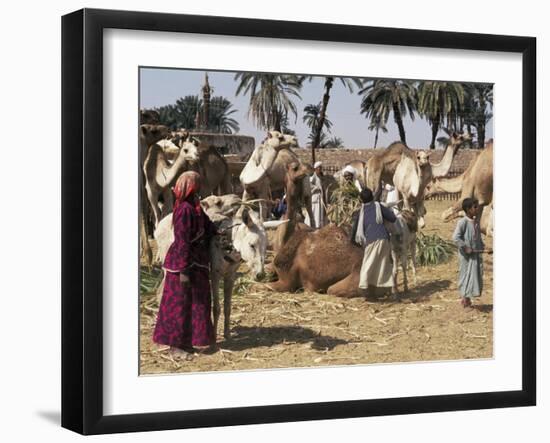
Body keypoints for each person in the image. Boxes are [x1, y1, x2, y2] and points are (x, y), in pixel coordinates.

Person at [153, 171, 218, 356]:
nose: (200, 185)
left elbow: (207, 224)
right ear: (192, 186)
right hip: (184, 265)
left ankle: (192, 342)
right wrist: (183, 270)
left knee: (197, 304)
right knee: (179, 305)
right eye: (198, 183)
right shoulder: (184, 210)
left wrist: (217, 232)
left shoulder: (195, 207)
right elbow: (182, 241)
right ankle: (176, 347)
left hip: (197, 263)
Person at [351, 187, 397, 296]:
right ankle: (382, 291)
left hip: (372, 240)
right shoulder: (378, 206)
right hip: (384, 239)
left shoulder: (360, 212)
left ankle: (364, 289)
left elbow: (354, 229)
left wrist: (352, 241)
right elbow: (393, 218)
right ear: (372, 197)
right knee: (382, 266)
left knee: (368, 265)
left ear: (361, 200)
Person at [452, 197, 486, 309]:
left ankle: (468, 298)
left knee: (474, 275)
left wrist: (484, 248)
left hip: (475, 255)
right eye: (475, 207)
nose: (477, 209)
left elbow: (478, 238)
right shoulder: (462, 222)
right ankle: (464, 299)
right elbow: (456, 238)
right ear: (468, 209)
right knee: (465, 275)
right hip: (466, 257)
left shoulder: (476, 222)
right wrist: (465, 247)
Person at [309, 161, 326, 228]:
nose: (320, 169)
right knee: (314, 210)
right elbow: (309, 185)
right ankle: (313, 224)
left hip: (320, 197)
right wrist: (316, 188)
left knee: (319, 211)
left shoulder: (320, 177)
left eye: (321, 168)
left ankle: (318, 224)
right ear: (316, 169)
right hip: (315, 197)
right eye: (319, 168)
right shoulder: (313, 176)